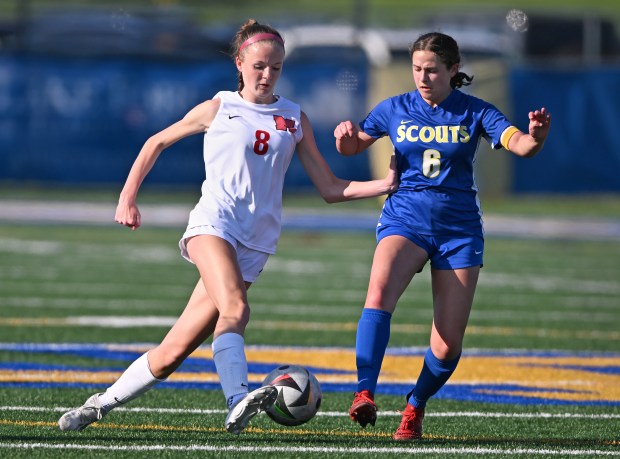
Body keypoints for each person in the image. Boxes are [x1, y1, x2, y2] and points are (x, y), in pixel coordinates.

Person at [57, 19, 398, 435]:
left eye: (275, 67)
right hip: (213, 224)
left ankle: (96, 407)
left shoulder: (294, 118)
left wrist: (383, 185)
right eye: (258, 66)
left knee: (173, 352)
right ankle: (238, 401)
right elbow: (155, 143)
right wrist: (127, 197)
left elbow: (330, 187)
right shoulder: (219, 107)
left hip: (257, 244)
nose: (266, 75)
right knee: (236, 309)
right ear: (239, 63)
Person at [334, 32, 551, 441]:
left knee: (448, 346)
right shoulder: (394, 108)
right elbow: (353, 146)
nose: (422, 76)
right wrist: (346, 140)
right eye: (417, 68)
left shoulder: (476, 111)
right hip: (405, 219)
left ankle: (415, 405)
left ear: (453, 70)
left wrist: (535, 135)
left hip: (459, 230)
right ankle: (365, 391)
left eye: (432, 69)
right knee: (378, 295)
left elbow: (521, 145)